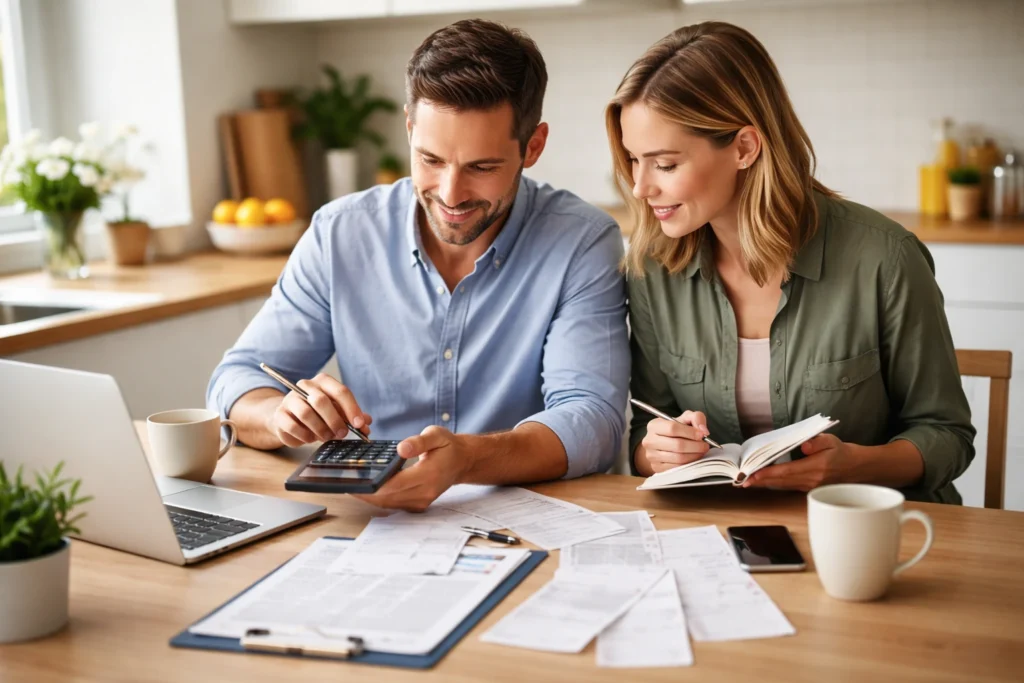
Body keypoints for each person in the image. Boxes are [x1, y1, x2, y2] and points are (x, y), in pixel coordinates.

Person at [208, 19, 629, 511]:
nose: (451, 194)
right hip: (371, 520)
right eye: (430, 159)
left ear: (532, 147)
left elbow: (593, 419)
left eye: (482, 167)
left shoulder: (581, 241)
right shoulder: (341, 232)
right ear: (409, 127)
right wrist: (281, 415)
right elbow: (235, 380)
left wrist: (468, 459)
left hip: (520, 520)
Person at [608, 22, 975, 504]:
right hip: (725, 533)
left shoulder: (884, 258)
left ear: (744, 148)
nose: (640, 187)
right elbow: (644, 431)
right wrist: (656, 451)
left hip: (874, 529)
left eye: (666, 164)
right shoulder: (655, 268)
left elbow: (947, 435)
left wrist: (854, 465)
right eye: (634, 160)